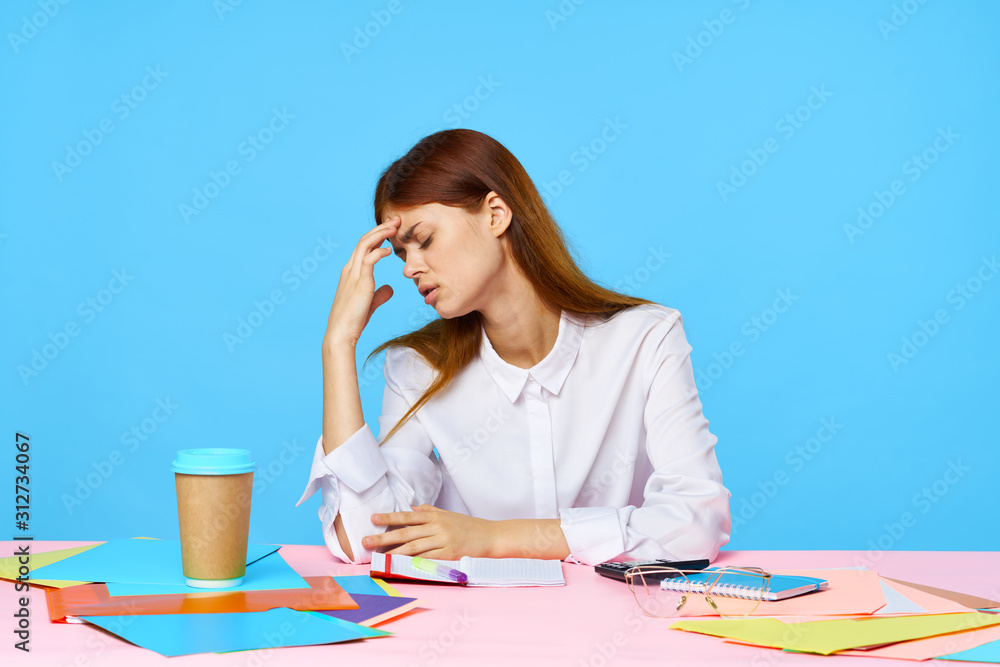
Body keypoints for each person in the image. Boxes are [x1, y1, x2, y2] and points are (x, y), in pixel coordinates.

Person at [297, 129, 731, 566]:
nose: (410, 268)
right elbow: (366, 536)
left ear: (495, 214)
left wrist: (494, 539)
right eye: (399, 251)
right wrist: (338, 345)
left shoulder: (645, 340)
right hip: (472, 625)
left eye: (424, 240)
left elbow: (696, 524)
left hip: (619, 618)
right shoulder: (417, 367)